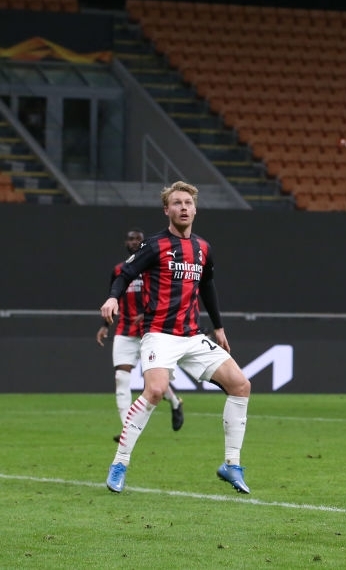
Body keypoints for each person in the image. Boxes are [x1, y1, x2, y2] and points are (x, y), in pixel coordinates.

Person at [99, 181, 252, 495]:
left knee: (241, 385)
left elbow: (207, 285)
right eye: (177, 203)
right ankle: (120, 463)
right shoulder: (155, 245)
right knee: (154, 392)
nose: (183, 208)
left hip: (193, 335)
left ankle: (231, 465)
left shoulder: (203, 248)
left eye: (188, 203)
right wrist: (113, 297)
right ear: (166, 209)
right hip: (159, 335)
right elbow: (126, 273)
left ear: (195, 209)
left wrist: (219, 327)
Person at [95, 228, 184, 441]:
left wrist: (146, 313)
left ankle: (175, 402)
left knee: (155, 382)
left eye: (138, 239)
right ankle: (128, 430)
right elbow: (113, 296)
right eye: (131, 239)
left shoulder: (153, 268)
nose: (134, 242)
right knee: (121, 377)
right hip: (125, 329)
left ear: (144, 243)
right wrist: (105, 325)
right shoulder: (119, 270)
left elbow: (164, 296)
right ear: (125, 243)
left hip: (151, 330)